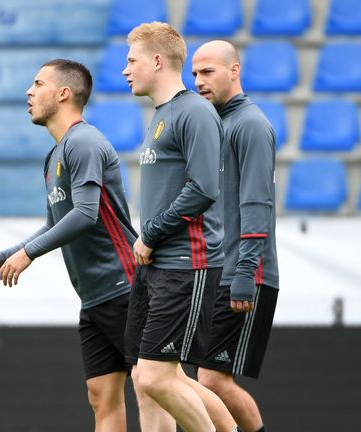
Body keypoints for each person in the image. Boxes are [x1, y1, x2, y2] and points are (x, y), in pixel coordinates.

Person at [0, 59, 137, 432]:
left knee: (160, 386)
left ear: (62, 93)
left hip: (125, 286)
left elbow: (86, 214)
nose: (29, 91)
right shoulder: (55, 155)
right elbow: (55, 224)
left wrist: (28, 254)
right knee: (101, 396)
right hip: (94, 296)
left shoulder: (84, 141)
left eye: (38, 83)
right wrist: (3, 256)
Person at [122, 22, 239, 432]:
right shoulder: (164, 114)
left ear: (157, 61)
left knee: (158, 377)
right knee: (144, 378)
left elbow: (204, 188)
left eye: (132, 60)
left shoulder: (194, 112)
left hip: (185, 266)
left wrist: (150, 235)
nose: (125, 70)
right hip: (154, 266)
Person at [191, 41, 280, 432]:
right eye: (194, 74)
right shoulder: (216, 122)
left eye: (207, 72)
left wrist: (245, 272)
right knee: (201, 378)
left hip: (244, 273)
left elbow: (257, 202)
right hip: (217, 270)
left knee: (211, 380)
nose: (198, 81)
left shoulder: (251, 124)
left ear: (234, 70)